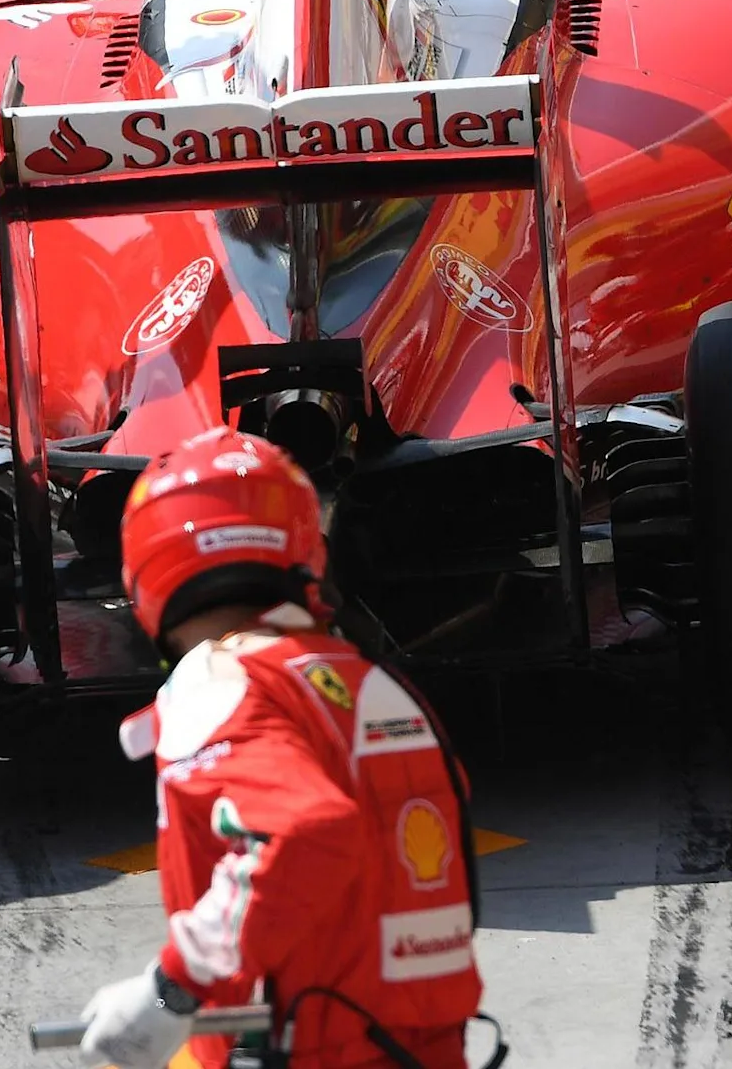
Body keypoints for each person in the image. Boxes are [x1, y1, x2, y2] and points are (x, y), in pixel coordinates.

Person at [77, 429, 486, 1069]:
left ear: (148, 571)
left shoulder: (215, 684)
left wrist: (171, 991)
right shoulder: (368, 683)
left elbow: (306, 831)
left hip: (303, 1045)